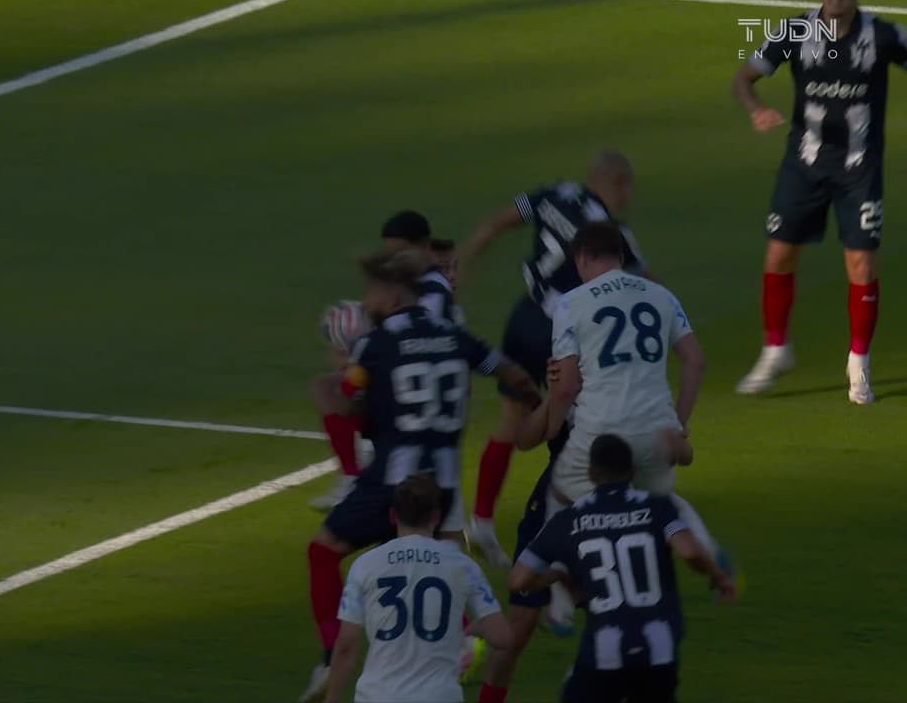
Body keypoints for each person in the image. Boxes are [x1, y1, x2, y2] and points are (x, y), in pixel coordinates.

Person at [301, 249, 540, 703]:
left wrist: (338, 394)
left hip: (394, 480)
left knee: (324, 551)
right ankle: (463, 638)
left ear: (394, 296)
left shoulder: (376, 343)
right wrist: (533, 402)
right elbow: (513, 375)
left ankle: (332, 655)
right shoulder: (455, 334)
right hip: (444, 484)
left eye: (373, 292)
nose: (367, 301)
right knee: (445, 570)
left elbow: (348, 399)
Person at [457, 152, 649, 569]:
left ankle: (482, 520)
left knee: (511, 420)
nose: (629, 197)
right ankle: (570, 533)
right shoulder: (609, 233)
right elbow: (643, 282)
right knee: (579, 426)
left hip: (524, 318)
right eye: (627, 187)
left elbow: (494, 224)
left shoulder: (552, 194)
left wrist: (463, 267)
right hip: (564, 333)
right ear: (616, 184)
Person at [542, 224, 726, 624]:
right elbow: (695, 361)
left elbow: (566, 385)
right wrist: (678, 422)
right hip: (656, 434)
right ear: (622, 257)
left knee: (560, 493)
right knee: (656, 500)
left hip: (601, 431)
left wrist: (552, 425)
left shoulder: (570, 304)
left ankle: (561, 598)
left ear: (581, 258)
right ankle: (706, 549)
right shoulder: (661, 295)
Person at [732, 0, 907, 403]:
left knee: (861, 262)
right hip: (804, 166)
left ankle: (858, 363)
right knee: (779, 254)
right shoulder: (794, 32)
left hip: (858, 170)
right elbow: (744, 79)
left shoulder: (883, 35)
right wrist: (756, 110)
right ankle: (776, 349)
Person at [508, 434, 736, 703]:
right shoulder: (656, 506)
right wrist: (718, 576)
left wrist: (557, 575)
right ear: (632, 471)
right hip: (659, 649)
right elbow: (689, 551)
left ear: (591, 474)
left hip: (604, 651)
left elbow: (518, 580)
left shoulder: (568, 520)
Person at [310, 211, 462, 510]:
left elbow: (414, 343)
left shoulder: (431, 292)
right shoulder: (414, 281)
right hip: (402, 376)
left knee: (338, 392)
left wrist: (353, 356)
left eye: (399, 252)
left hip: (409, 389)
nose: (394, 260)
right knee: (325, 388)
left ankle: (362, 472)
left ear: (423, 247)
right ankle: (352, 475)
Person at [325, 475, 511, 703]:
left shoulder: (365, 565)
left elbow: (346, 647)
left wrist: (331, 699)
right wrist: (468, 631)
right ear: (436, 517)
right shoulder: (463, 566)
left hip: (377, 696)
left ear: (392, 516)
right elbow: (501, 637)